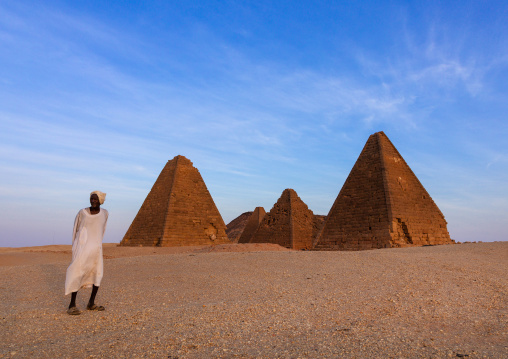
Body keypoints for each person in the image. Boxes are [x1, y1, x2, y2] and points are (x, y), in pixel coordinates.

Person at [65, 191, 109, 315]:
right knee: (76, 273)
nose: (93, 201)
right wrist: (75, 248)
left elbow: (102, 230)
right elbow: (76, 229)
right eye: (91, 199)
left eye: (95, 199)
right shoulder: (82, 213)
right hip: (82, 249)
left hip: (96, 249)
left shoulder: (105, 213)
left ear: (100, 200)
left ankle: (91, 303)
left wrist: (98, 244)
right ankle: (72, 305)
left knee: (97, 275)